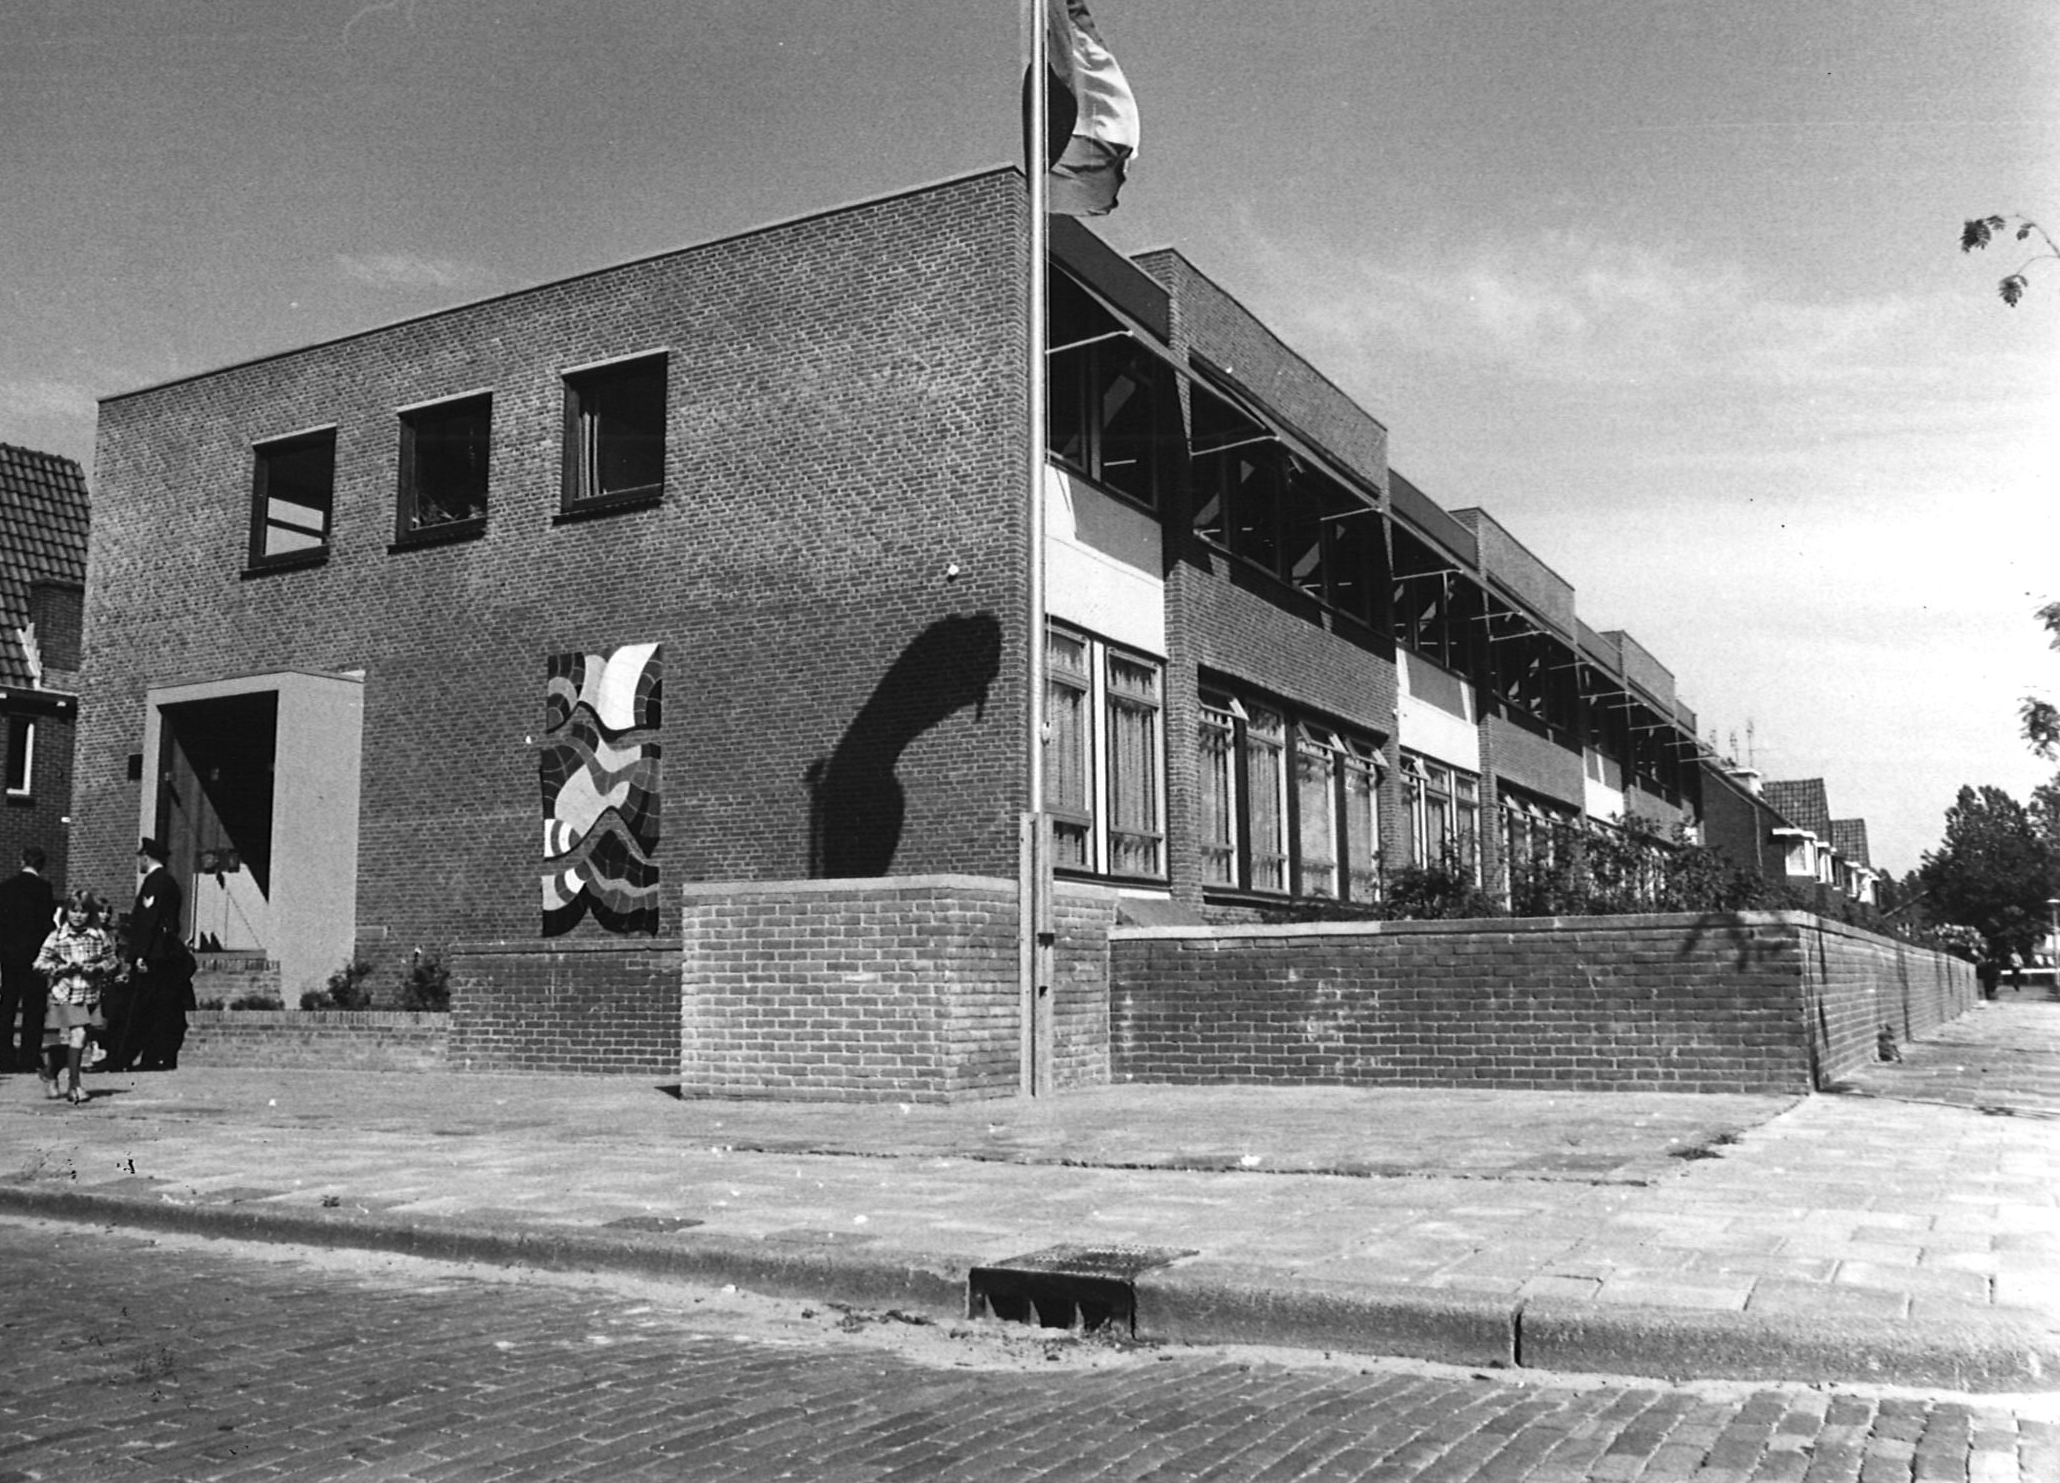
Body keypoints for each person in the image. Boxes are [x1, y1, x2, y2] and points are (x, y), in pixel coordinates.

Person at [108, 837, 191, 1073]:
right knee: (160, 1009)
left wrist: (140, 954)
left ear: (146, 856)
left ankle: (125, 1057)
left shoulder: (155, 882)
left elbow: (148, 921)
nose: (139, 862)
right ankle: (153, 1057)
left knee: (140, 1008)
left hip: (153, 956)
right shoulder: (169, 882)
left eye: (140, 857)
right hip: (163, 954)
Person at [35, 890, 119, 1104]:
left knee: (81, 1039)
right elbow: (39, 964)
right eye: (74, 911)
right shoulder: (57, 936)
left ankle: (50, 1070)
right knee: (79, 1035)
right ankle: (75, 1085)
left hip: (89, 993)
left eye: (83, 912)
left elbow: (112, 961)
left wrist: (98, 968)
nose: (78, 916)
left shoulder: (98, 935)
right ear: (66, 912)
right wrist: (61, 968)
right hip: (66, 992)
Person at [0, 845, 55, 1071]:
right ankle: (29, 1057)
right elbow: (46, 925)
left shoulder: (5, 888)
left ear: (22, 861)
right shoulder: (44, 889)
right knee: (34, 1009)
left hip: (9, 957)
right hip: (34, 958)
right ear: (41, 865)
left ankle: (4, 1057)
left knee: (7, 1007)